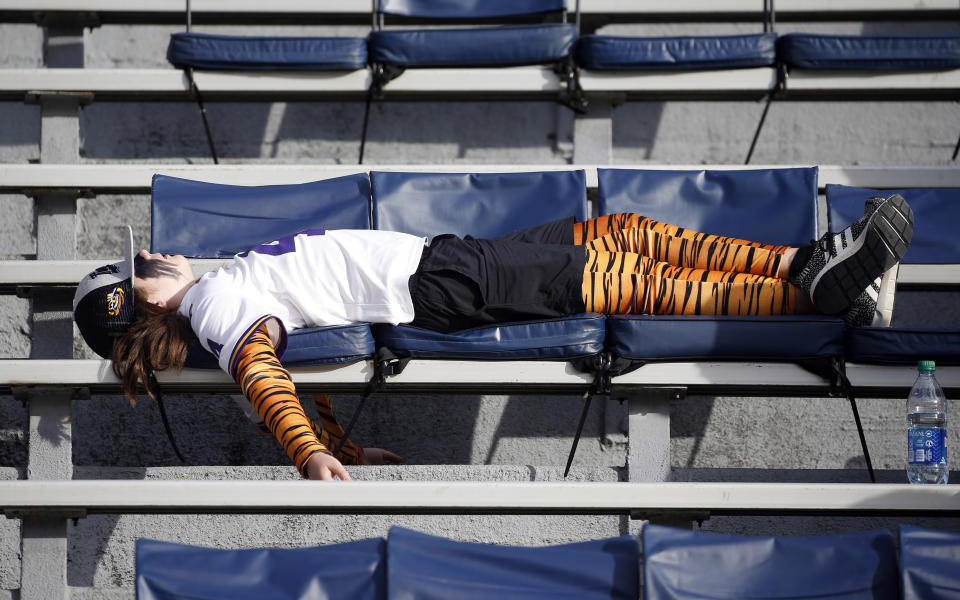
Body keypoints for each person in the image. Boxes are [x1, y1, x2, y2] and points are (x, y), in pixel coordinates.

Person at [72, 194, 914, 480]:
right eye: (140, 264)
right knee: (618, 280)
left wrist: (339, 441)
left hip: (441, 263)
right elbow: (263, 371)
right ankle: (812, 298)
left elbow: (278, 364)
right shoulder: (212, 307)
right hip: (437, 284)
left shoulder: (219, 304)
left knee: (619, 233)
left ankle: (804, 268)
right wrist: (314, 453)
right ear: (136, 303)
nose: (155, 249)